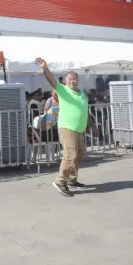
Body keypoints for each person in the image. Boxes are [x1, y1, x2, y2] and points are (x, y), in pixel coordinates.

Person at [35, 57, 90, 197]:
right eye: (70, 79)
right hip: (67, 128)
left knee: (79, 156)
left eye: (75, 79)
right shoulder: (63, 90)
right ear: (66, 81)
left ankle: (72, 179)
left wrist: (91, 125)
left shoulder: (83, 95)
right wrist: (45, 68)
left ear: (78, 81)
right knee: (71, 155)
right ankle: (60, 181)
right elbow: (51, 79)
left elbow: (85, 111)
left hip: (79, 130)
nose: (72, 81)